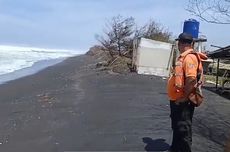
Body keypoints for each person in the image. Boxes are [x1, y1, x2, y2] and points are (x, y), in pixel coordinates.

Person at [167, 32, 206, 152]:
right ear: (192, 43)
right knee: (177, 128)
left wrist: (183, 97)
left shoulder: (189, 57)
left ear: (179, 43)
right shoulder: (183, 57)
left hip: (183, 102)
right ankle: (175, 149)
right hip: (177, 100)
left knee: (183, 129)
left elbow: (191, 79)